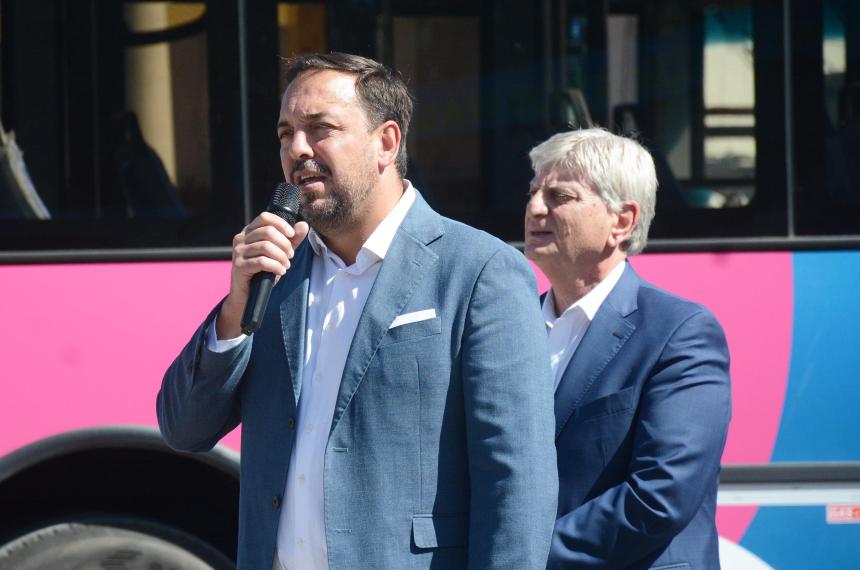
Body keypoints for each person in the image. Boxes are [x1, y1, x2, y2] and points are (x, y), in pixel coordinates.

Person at [158, 52, 558, 570]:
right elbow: (183, 428)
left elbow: (517, 479)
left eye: (320, 128)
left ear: (386, 143)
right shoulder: (274, 276)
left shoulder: (479, 271)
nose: (297, 149)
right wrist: (236, 307)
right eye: (285, 134)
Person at [523, 128, 731, 569]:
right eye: (534, 191)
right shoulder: (511, 325)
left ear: (622, 221)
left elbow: (661, 494)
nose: (536, 207)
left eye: (560, 195)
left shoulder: (679, 332)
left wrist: (525, 554)